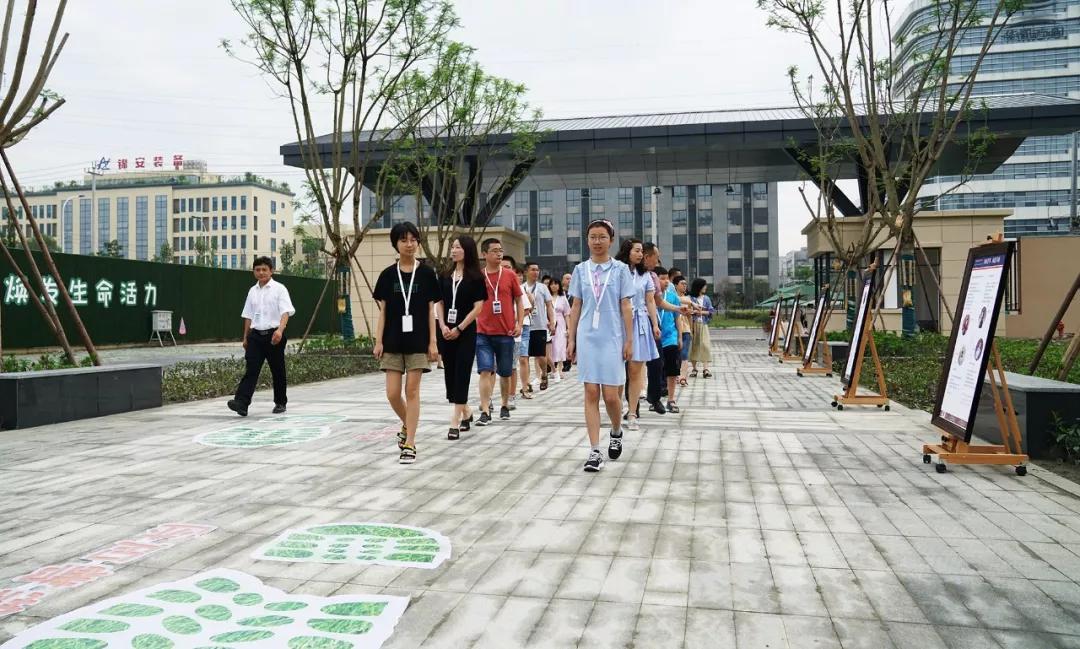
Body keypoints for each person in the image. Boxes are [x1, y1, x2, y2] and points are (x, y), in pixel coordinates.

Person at [568, 219, 635, 472]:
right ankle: (595, 451)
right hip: (587, 338)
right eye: (593, 237)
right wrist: (571, 338)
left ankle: (616, 431)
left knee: (611, 395)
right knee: (591, 393)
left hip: (613, 338)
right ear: (587, 240)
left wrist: (629, 340)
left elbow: (626, 306)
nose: (597, 241)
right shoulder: (580, 270)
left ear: (611, 240)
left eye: (602, 237)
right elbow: (576, 306)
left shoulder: (620, 270)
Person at [373, 222, 440, 464]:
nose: (409, 244)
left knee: (411, 391)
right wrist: (378, 340)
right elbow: (383, 312)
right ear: (396, 244)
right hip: (392, 341)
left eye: (413, 239)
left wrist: (433, 342)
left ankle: (409, 443)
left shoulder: (426, 274)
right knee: (392, 393)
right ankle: (406, 423)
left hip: (418, 341)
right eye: (404, 240)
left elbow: (432, 309)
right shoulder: (388, 275)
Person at [228, 256, 296, 417]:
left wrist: (280, 330)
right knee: (251, 369)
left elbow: (285, 312)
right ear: (253, 272)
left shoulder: (279, 289)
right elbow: (248, 316)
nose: (261, 272)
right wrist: (246, 337)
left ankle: (280, 402)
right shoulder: (252, 291)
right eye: (257, 270)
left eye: (264, 269)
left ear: (271, 271)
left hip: (274, 336)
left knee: (277, 370)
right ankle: (242, 403)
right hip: (256, 337)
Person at [434, 236, 486, 441]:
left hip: (465, 332)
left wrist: (459, 327)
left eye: (458, 247)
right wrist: (443, 326)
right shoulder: (445, 275)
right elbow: (438, 302)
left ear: (467, 251)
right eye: (453, 247)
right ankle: (467, 412)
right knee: (451, 375)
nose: (454, 250)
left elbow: (478, 308)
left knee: (462, 373)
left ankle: (454, 422)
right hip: (445, 331)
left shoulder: (475, 278)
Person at [476, 239, 524, 425]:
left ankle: (504, 404)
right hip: (483, 333)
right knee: (485, 370)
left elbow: (519, 301)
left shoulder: (510, 275)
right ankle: (485, 409)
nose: (499, 254)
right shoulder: (479, 277)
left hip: (506, 332)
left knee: (505, 372)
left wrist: (519, 323)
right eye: (494, 251)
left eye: (500, 250)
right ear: (484, 254)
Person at [615, 238, 660, 432]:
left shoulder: (646, 276)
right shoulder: (616, 271)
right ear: (627, 252)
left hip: (640, 322)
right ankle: (616, 409)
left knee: (635, 371)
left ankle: (632, 413)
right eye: (637, 251)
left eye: (642, 251)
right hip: (618, 323)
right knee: (616, 372)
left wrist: (655, 324)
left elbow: (650, 301)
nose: (641, 254)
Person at [523, 262, 556, 391]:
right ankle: (526, 383)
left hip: (540, 325)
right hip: (525, 325)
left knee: (540, 355)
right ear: (526, 272)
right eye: (533, 270)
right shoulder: (521, 287)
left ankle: (544, 374)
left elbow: (549, 305)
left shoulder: (542, 287)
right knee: (524, 357)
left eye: (537, 270)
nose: (536, 272)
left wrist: (551, 322)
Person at [654, 267, 682, 412]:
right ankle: (655, 398)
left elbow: (678, 318)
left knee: (672, 370)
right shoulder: (650, 296)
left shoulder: (672, 296)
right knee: (656, 370)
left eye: (667, 279)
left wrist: (679, 336)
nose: (666, 282)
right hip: (655, 338)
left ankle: (671, 399)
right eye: (662, 278)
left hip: (670, 337)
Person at [688, 277, 716, 378]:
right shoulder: (690, 298)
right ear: (699, 286)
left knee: (705, 345)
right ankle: (694, 368)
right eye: (704, 285)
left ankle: (706, 369)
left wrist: (701, 312)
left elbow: (711, 311)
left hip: (703, 325)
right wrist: (693, 312)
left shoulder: (706, 298)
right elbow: (687, 310)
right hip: (693, 324)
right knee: (694, 346)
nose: (705, 287)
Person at [550, 279, 570, 382]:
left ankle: (560, 369)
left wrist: (569, 328)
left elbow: (567, 314)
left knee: (560, 345)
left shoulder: (563, 298)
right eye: (552, 284)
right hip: (549, 323)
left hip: (560, 323)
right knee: (551, 346)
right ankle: (553, 369)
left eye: (555, 284)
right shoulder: (547, 297)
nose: (554, 286)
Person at [674, 275, 692, 386]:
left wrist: (691, 329)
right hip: (673, 329)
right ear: (676, 285)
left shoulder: (688, 299)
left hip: (685, 329)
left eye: (686, 284)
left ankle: (683, 377)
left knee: (684, 353)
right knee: (675, 354)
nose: (684, 286)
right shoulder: (672, 297)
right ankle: (675, 375)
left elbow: (690, 315)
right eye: (682, 283)